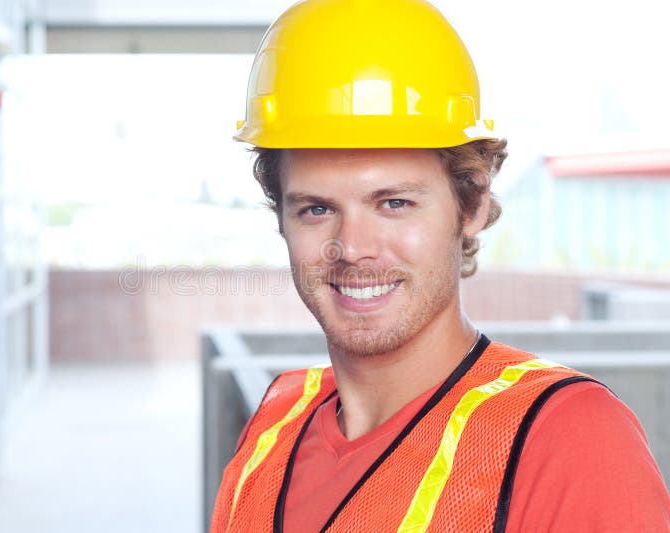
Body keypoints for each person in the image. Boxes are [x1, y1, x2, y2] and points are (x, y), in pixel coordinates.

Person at [210, 0, 670, 531]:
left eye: (393, 203)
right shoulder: (275, 423)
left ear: (471, 205)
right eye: (317, 209)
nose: (353, 247)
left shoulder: (567, 439)